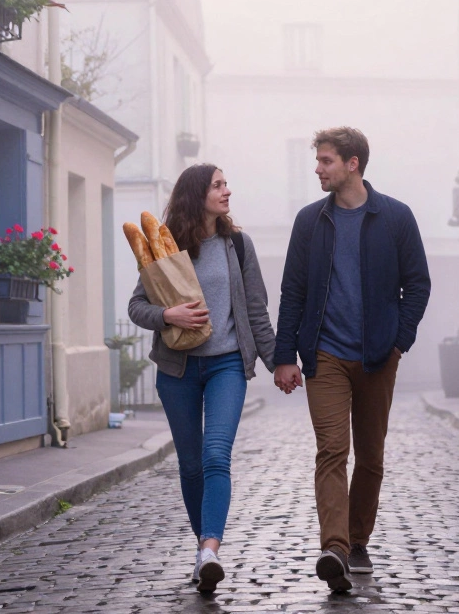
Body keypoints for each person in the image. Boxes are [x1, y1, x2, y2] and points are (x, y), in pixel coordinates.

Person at [273, 126, 431, 592]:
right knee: (331, 450)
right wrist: (286, 355)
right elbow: (293, 292)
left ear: (352, 164)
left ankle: (359, 539)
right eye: (318, 161)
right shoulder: (309, 221)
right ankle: (335, 549)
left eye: (325, 161)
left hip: (379, 355)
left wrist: (399, 339)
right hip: (324, 355)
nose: (317, 169)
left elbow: (417, 284)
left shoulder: (396, 217)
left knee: (372, 457)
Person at [128, 163, 276, 595]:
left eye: (227, 183)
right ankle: (202, 549)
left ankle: (210, 549)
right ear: (197, 194)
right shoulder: (166, 246)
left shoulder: (238, 245)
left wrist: (278, 362)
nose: (227, 191)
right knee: (191, 466)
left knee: (216, 456)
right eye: (218, 185)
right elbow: (137, 307)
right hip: (177, 371)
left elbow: (256, 310)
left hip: (226, 365)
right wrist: (167, 315)